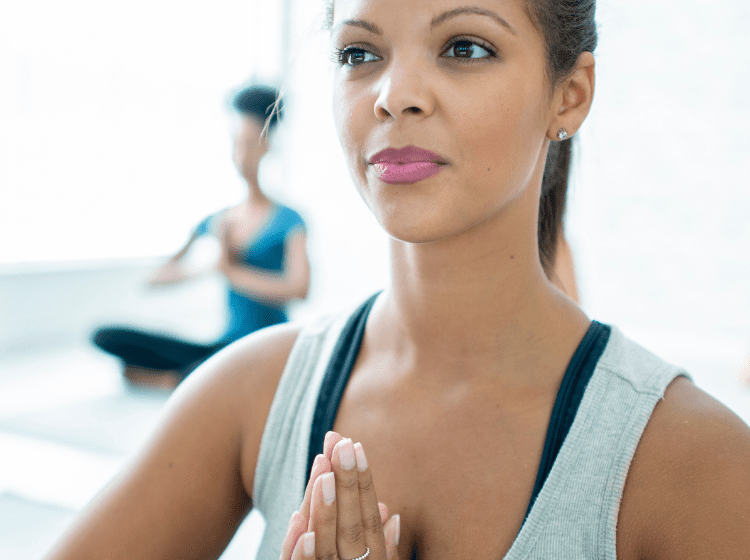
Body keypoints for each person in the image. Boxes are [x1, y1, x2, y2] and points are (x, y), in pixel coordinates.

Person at [47, 1, 750, 559]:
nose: (395, 95)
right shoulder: (247, 395)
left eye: (465, 47)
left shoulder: (695, 464)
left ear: (569, 94)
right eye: (360, 53)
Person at [92, 84, 310, 388]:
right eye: (236, 143)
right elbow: (155, 279)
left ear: (267, 145)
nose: (240, 154)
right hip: (224, 344)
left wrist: (231, 271)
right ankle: (188, 377)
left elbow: (299, 288)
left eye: (249, 143)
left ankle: (176, 380)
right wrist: (208, 268)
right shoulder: (218, 220)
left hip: (269, 346)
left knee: (234, 371)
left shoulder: (289, 219)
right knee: (105, 336)